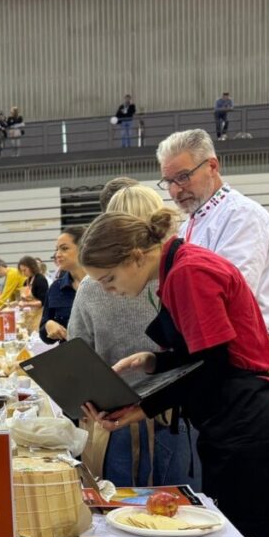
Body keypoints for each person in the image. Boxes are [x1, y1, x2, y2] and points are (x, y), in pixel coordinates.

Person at [79, 208, 269, 537]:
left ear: (136, 256)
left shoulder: (188, 272)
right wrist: (155, 361)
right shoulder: (179, 269)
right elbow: (207, 352)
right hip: (234, 418)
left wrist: (142, 409)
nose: (107, 290)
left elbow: (212, 365)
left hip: (248, 422)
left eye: (109, 279)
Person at [69, 183, 200, 489]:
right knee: (178, 514)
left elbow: (78, 352)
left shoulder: (92, 285)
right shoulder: (177, 275)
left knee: (117, 513)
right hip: (174, 417)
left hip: (114, 421)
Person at [156, 129, 269, 380]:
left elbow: (234, 298)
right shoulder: (190, 222)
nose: (176, 191)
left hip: (251, 350)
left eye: (183, 177)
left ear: (212, 165)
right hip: (214, 349)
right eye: (168, 182)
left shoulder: (242, 216)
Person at [39, 226, 86, 344]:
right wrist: (49, 325)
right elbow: (44, 333)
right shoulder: (56, 288)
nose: (57, 255)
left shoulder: (105, 284)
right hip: (69, 357)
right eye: (57, 250)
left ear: (83, 248)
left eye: (64, 248)